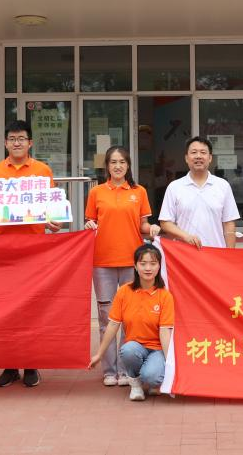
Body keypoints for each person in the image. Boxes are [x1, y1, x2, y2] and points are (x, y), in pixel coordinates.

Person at [0, 120, 61, 389]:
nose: (17, 143)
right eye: (12, 138)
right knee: (5, 309)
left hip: (33, 251)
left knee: (31, 308)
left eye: (21, 139)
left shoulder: (43, 171)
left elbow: (52, 210)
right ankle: (9, 365)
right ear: (6, 143)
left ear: (30, 143)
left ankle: (30, 364)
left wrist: (54, 222)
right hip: (3, 251)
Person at [84, 146, 159, 387]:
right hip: (102, 262)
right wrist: (88, 225)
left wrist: (152, 228)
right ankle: (109, 371)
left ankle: (127, 369)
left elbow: (142, 225)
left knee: (129, 318)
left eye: (122, 162)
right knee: (106, 318)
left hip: (131, 263)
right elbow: (91, 222)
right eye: (113, 162)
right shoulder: (96, 192)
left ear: (128, 166)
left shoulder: (139, 192)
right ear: (107, 166)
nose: (118, 166)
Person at [89, 243, 174, 402]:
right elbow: (113, 325)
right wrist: (99, 354)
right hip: (135, 347)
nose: (148, 268)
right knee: (127, 350)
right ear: (135, 266)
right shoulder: (124, 291)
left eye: (153, 263)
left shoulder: (165, 296)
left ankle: (153, 377)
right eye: (143, 263)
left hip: (157, 349)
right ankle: (135, 382)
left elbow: (164, 332)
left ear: (159, 267)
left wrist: (170, 362)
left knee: (152, 376)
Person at [159, 136, 240, 249]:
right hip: (185, 253)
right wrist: (186, 236)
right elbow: (165, 223)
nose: (198, 156)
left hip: (216, 252)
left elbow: (229, 223)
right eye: (194, 152)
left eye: (203, 152)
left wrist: (229, 253)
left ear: (210, 158)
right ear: (186, 158)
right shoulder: (174, 187)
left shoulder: (223, 186)